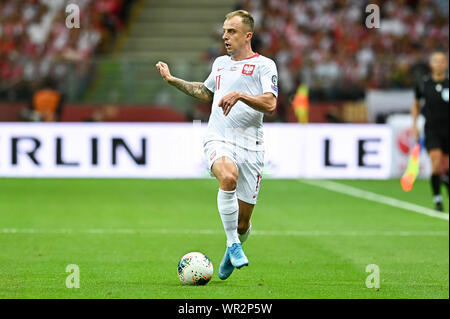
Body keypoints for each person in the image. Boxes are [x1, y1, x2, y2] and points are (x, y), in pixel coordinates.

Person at [156, 10, 278, 280]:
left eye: (231, 31)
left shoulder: (264, 66)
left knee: (244, 222)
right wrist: (173, 80)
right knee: (228, 176)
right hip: (218, 137)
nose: (225, 36)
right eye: (224, 31)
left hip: (251, 146)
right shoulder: (220, 63)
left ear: (248, 36)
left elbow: (270, 104)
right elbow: (206, 92)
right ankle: (234, 244)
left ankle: (231, 245)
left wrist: (241, 95)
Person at [412, 51, 449, 211]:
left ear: (446, 64)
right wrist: (414, 124)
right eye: (436, 61)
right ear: (431, 64)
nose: (439, 64)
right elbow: (415, 104)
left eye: (442, 61)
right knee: (436, 162)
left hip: (448, 130)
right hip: (432, 129)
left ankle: (445, 187)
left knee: (446, 167)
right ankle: (438, 199)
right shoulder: (423, 84)